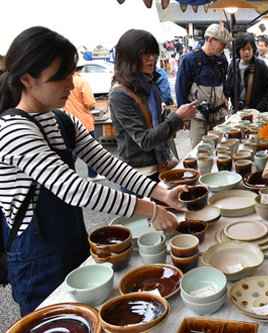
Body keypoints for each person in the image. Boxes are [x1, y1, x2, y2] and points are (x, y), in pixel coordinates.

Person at [0, 26, 189, 315]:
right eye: (60, 77)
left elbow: (110, 165)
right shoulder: (13, 130)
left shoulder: (62, 120)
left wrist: (162, 193)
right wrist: (150, 209)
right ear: (27, 79)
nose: (70, 85)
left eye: (71, 73)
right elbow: (74, 188)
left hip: (74, 242)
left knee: (86, 316)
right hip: (35, 259)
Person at [108, 29, 198, 193]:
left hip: (161, 167)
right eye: (145, 53)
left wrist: (178, 122)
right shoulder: (119, 94)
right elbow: (145, 140)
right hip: (137, 177)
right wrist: (177, 118)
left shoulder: (150, 86)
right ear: (129, 56)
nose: (152, 58)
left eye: (153, 53)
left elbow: (159, 128)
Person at [175, 23, 232, 148]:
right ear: (211, 40)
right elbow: (181, 88)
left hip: (219, 114)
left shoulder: (222, 59)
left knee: (221, 150)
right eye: (223, 43)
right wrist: (183, 117)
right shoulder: (189, 59)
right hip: (197, 116)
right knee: (200, 151)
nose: (225, 47)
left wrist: (226, 97)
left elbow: (224, 81)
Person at [63, 58, 104, 182]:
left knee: (70, 152)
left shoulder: (62, 81)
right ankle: (92, 175)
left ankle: (67, 176)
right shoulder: (81, 81)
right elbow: (90, 102)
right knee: (91, 151)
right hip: (83, 121)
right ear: (80, 68)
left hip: (66, 121)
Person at [227, 33, 268, 112]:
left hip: (258, 111)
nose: (246, 52)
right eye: (243, 49)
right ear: (238, 50)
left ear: (253, 49)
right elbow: (229, 88)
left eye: (249, 49)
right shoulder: (233, 66)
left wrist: (259, 108)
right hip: (239, 111)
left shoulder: (260, 65)